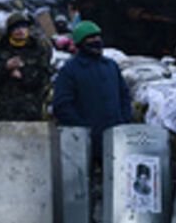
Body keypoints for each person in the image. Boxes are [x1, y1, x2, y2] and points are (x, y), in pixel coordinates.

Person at [52, 21, 132, 161]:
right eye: (90, 38)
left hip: (115, 137)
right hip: (86, 142)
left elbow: (124, 95)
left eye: (97, 36)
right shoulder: (70, 70)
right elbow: (62, 105)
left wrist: (123, 121)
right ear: (80, 43)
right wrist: (83, 130)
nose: (96, 40)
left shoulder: (110, 66)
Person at [0, 12, 53, 121]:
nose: (20, 31)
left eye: (23, 27)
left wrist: (23, 75)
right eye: (16, 28)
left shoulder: (38, 49)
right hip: (4, 110)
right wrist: (6, 67)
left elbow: (44, 77)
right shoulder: (0, 48)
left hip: (31, 110)